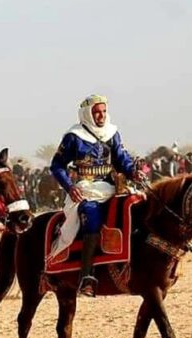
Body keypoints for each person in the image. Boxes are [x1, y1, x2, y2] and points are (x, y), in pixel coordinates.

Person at [49, 95, 142, 297]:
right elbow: (56, 166)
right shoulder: (74, 136)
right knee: (91, 214)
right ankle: (86, 276)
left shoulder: (112, 133)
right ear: (87, 114)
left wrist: (133, 172)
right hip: (85, 189)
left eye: (104, 111)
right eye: (97, 112)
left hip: (112, 187)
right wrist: (69, 187)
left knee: (136, 207)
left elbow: (122, 159)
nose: (101, 116)